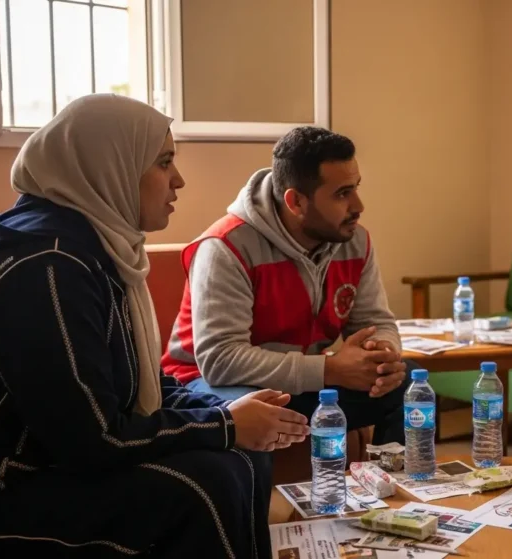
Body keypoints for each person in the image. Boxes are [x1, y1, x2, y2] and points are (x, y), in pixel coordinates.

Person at [0, 95, 309, 557]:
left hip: (57, 461)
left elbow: (135, 385)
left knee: (243, 453)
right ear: (109, 167)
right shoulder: (48, 268)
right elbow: (93, 438)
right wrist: (224, 424)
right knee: (205, 484)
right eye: (164, 162)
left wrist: (228, 413)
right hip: (6, 488)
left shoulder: (89, 246)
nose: (179, 180)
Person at [161, 126, 410, 444]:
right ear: (295, 202)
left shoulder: (354, 240)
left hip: (299, 384)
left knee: (406, 383)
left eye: (356, 188)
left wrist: (383, 356)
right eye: (342, 193)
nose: (358, 205)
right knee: (259, 412)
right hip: (206, 385)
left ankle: (394, 489)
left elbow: (375, 323)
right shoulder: (225, 246)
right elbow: (220, 361)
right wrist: (328, 370)